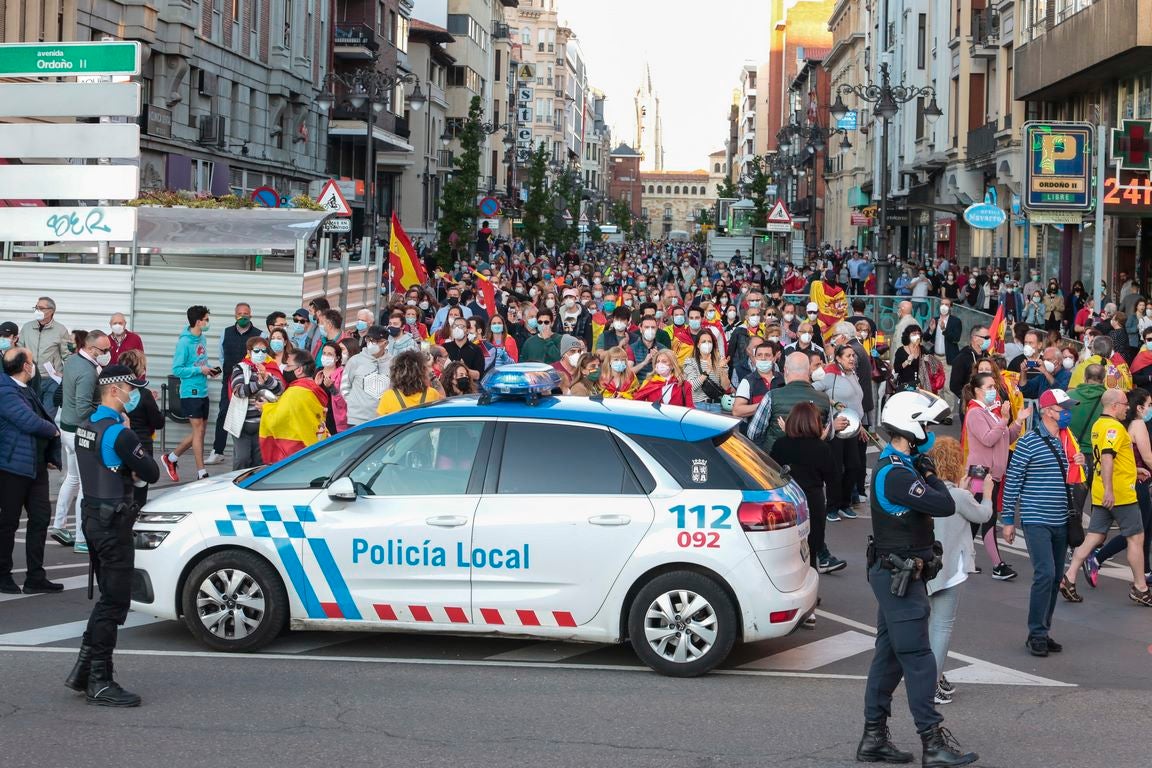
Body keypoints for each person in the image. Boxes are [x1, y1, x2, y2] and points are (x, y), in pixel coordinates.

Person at [857, 390, 977, 768]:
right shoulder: (895, 473)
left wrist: (922, 469)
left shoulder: (899, 466)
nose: (927, 431)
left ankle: (873, 739)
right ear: (908, 425)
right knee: (920, 659)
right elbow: (943, 503)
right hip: (899, 576)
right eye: (923, 424)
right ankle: (932, 743)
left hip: (898, 573)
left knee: (890, 658)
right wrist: (929, 472)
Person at [67, 364, 160, 707]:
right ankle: (100, 681)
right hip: (113, 522)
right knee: (114, 602)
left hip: (92, 517)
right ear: (115, 389)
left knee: (109, 596)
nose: (134, 393)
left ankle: (83, 671)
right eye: (131, 387)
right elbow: (149, 471)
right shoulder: (120, 433)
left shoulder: (86, 426)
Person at [1001, 389, 1085, 656]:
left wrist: (1081, 463)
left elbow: (1070, 478)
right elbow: (1012, 480)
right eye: (1063, 409)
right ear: (1048, 411)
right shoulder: (1028, 443)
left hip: (1061, 519)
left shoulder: (1065, 441)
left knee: (1056, 576)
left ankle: (1043, 630)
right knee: (1045, 574)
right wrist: (1007, 520)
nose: (1067, 413)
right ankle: (1036, 633)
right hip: (1036, 519)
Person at [1061, 388, 1152, 606]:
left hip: (1102, 492)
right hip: (1120, 495)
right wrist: (1112, 489)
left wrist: (1134, 471)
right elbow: (1108, 457)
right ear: (1113, 406)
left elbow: (1111, 458)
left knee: (1094, 536)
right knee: (1136, 539)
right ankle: (1140, 588)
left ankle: (1069, 576)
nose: (1126, 407)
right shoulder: (1114, 427)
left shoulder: (1099, 425)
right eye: (1123, 404)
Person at [924, 436, 993, 705]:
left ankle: (933, 677)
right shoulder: (959, 496)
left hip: (927, 564)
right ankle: (932, 684)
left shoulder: (931, 491)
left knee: (930, 623)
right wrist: (986, 494)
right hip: (951, 567)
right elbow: (983, 515)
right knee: (942, 626)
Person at [0, 347, 62, 594]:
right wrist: (54, 431)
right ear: (26, 367)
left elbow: (41, 415)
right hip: (12, 467)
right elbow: (28, 421)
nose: (34, 364)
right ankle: (3, 575)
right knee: (8, 523)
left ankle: (36, 576)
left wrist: (49, 453)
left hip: (35, 467)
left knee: (40, 519)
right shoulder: (5, 391)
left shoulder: (25, 389)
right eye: (32, 361)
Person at [962, 371, 1030, 580]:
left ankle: (962, 560)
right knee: (988, 517)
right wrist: (1004, 419)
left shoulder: (991, 412)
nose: (994, 391)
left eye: (994, 387)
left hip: (994, 473)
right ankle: (997, 565)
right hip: (981, 472)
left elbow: (1005, 437)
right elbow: (988, 439)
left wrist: (1016, 422)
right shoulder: (975, 413)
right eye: (990, 387)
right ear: (978, 390)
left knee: (975, 520)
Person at [1084, 387, 1152, 589]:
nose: (1150, 409)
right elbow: (1146, 456)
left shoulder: (1122, 422)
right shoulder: (1138, 424)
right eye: (1149, 405)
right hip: (1133, 484)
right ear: (1139, 407)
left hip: (1129, 481)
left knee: (1144, 528)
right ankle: (1097, 558)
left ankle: (1145, 571)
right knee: (1136, 531)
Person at [50, 328, 110, 552]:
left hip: (67, 428)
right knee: (86, 485)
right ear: (92, 348)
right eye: (105, 350)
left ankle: (59, 525)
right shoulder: (87, 371)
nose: (107, 353)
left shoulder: (73, 360)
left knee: (72, 478)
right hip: (79, 431)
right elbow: (84, 407)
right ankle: (82, 539)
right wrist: (105, 410)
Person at [770, 401, 845, 575]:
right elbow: (834, 480)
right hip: (812, 501)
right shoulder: (821, 448)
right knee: (810, 548)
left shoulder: (780, 444)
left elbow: (772, 473)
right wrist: (832, 506)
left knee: (787, 549)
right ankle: (810, 588)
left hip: (786, 502)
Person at [163, 306, 217, 483]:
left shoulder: (202, 338)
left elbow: (201, 362)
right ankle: (201, 472)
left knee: (200, 431)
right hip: (190, 391)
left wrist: (208, 371)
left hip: (203, 389)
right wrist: (199, 369)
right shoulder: (184, 343)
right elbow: (177, 369)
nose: (208, 322)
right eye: (206, 319)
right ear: (198, 321)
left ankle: (171, 457)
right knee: (198, 430)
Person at [815, 342, 866, 522]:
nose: (852, 358)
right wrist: (831, 403)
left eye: (853, 355)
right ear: (838, 358)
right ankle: (832, 507)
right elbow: (813, 391)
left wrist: (860, 425)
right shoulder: (830, 376)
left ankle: (845, 504)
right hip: (837, 428)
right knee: (836, 469)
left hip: (853, 428)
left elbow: (857, 403)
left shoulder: (853, 375)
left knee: (853, 466)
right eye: (848, 356)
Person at [210, 302, 263, 466]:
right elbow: (221, 356)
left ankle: (253, 452)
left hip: (252, 382)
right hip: (230, 380)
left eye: (246, 313)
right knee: (224, 412)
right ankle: (218, 450)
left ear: (251, 315)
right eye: (240, 314)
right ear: (235, 315)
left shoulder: (259, 334)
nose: (243, 316)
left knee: (251, 414)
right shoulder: (226, 333)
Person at [258, 351, 329, 463]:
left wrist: (265, 408)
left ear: (299, 369)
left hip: (297, 448)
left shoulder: (295, 392)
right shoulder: (312, 387)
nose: (285, 369)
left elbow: (278, 418)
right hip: (314, 441)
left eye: (288, 365)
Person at [227, 337, 285, 471]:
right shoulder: (240, 368)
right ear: (249, 351)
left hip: (262, 424)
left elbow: (280, 390)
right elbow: (239, 391)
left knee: (260, 461)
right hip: (242, 425)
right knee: (242, 459)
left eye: (264, 351)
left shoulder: (269, 369)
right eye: (257, 350)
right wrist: (259, 384)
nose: (260, 354)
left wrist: (267, 378)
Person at [757, 352, 834, 453]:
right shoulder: (824, 398)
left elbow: (754, 432)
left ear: (785, 370)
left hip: (776, 460)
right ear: (809, 371)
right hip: (812, 458)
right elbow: (829, 434)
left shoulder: (772, 396)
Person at [117, 350, 165, 507]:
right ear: (140, 370)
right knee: (140, 492)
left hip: (119, 444)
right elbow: (158, 423)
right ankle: (134, 524)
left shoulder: (114, 393)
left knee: (121, 489)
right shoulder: (144, 394)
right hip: (141, 445)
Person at [21, 296, 71, 417]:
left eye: (41, 308)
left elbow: (67, 355)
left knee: (48, 417)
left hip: (51, 381)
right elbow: (19, 350)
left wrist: (66, 376)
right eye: (36, 307)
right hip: (30, 379)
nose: (37, 310)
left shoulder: (61, 330)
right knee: (30, 416)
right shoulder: (27, 328)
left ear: (51, 311)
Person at [376, 349, 442, 415]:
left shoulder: (388, 397)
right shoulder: (432, 394)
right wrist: (432, 375)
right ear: (422, 372)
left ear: (396, 373)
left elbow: (379, 423)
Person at [682, 330, 730, 412]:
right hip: (698, 405)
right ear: (698, 345)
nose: (707, 344)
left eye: (709, 341)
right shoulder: (690, 362)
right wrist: (707, 371)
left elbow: (726, 386)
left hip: (716, 405)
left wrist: (721, 369)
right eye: (703, 341)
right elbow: (691, 387)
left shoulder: (720, 361)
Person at [927, 299, 962, 364]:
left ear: (950, 307)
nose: (943, 306)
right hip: (934, 358)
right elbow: (925, 338)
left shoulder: (956, 321)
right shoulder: (935, 319)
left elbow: (956, 339)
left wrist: (944, 330)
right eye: (942, 304)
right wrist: (931, 330)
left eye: (946, 304)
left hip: (947, 359)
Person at [893, 324, 925, 390]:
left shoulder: (922, 349)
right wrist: (907, 361)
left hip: (920, 386)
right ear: (908, 336)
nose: (917, 336)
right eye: (914, 334)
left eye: (918, 334)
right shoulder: (901, 351)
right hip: (905, 385)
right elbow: (896, 369)